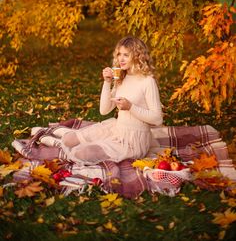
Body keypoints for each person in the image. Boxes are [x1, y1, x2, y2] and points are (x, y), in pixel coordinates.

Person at [13, 36, 163, 166]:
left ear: (137, 56)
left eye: (126, 55)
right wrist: (107, 82)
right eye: (119, 54)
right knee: (70, 140)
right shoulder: (121, 78)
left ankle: (56, 139)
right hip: (116, 129)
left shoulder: (147, 81)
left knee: (82, 154)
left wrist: (130, 107)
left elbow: (157, 119)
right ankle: (56, 137)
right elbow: (104, 111)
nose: (120, 59)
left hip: (133, 141)